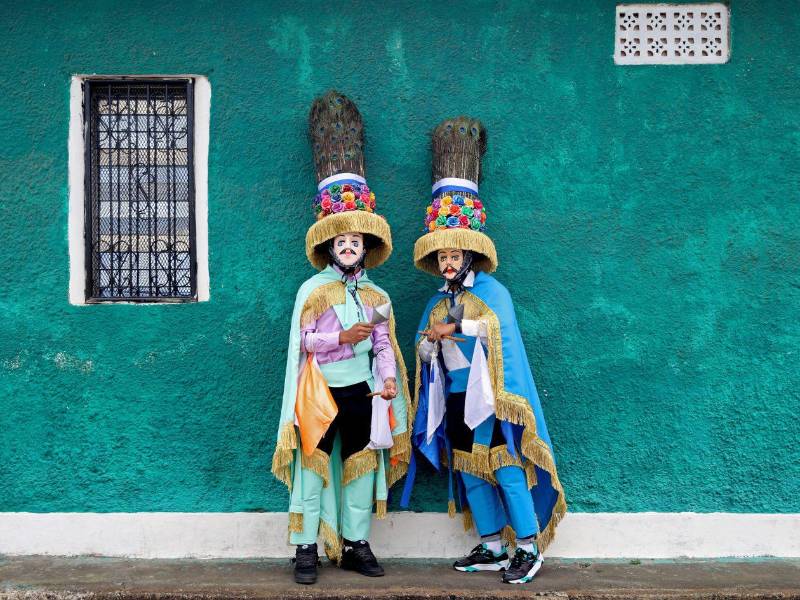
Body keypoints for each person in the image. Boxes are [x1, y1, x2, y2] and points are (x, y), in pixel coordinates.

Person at [401, 117, 566, 585]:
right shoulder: (436, 301)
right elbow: (422, 349)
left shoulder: (494, 293)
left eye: (456, 255)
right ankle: (492, 545)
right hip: (454, 397)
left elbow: (496, 331)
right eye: (443, 256)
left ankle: (528, 546)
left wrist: (456, 325)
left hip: (492, 400)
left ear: (470, 255)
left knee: (507, 469)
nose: (449, 262)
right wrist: (430, 343)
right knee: (471, 472)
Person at [271, 91, 410, 585]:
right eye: (341, 242)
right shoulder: (312, 291)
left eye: (356, 242)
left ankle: (355, 543)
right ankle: (306, 548)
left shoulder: (378, 295)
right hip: (319, 392)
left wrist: (388, 383)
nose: (349, 247)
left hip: (362, 393)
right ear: (330, 245)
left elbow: (384, 347)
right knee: (312, 469)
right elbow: (304, 344)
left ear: (366, 247)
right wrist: (339, 339)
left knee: (358, 466)